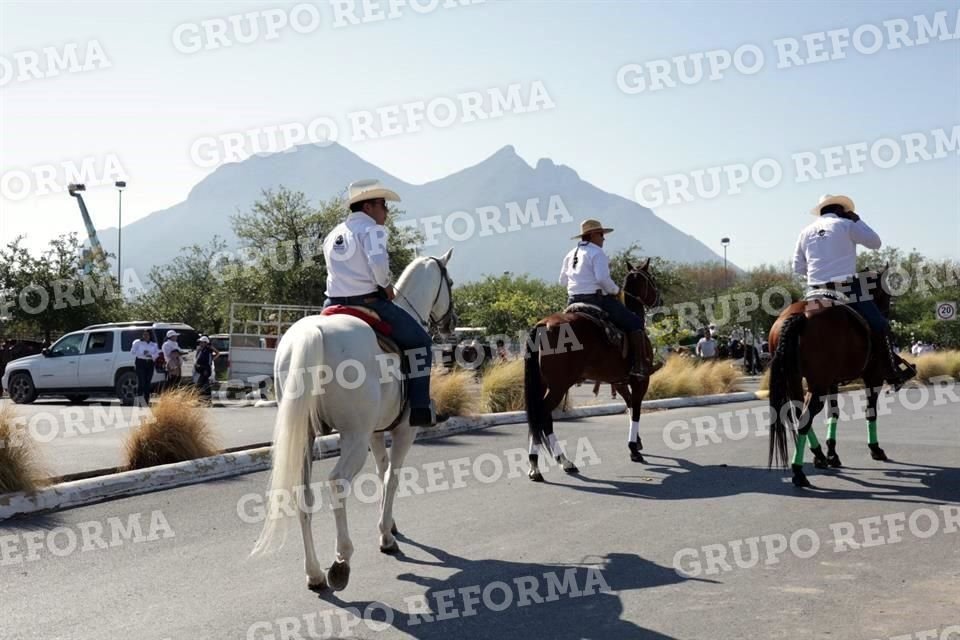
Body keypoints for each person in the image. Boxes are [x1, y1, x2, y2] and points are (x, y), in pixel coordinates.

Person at [322, 179, 439, 427]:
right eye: (383, 205)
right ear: (368, 207)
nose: (387, 211)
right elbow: (377, 265)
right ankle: (420, 407)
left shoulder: (333, 234)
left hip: (331, 304)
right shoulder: (373, 230)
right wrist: (386, 286)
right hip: (369, 303)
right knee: (421, 343)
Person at [792, 194, 915, 387]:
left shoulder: (805, 232)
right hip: (846, 289)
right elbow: (875, 243)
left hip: (814, 291)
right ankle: (892, 372)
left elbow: (797, 268)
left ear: (822, 211)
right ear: (841, 210)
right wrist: (857, 220)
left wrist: (819, 276)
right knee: (880, 324)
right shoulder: (847, 225)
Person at [559, 218, 650, 379]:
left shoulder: (569, 254)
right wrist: (615, 290)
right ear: (593, 235)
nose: (603, 238)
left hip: (572, 301)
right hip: (596, 299)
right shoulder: (597, 253)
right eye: (601, 234)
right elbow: (602, 279)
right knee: (635, 322)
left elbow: (562, 281)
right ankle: (639, 366)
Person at [130, 329, 160, 405]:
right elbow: (132, 351)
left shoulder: (153, 344)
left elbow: (157, 354)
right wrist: (142, 353)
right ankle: (139, 401)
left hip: (150, 363)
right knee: (141, 382)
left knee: (147, 383)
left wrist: (151, 355)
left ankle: (146, 401)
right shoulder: (138, 342)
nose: (145, 336)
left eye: (147, 335)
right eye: (144, 334)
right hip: (140, 362)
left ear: (150, 336)